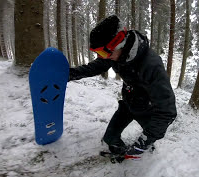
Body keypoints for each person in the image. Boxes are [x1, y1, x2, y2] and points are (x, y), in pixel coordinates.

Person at [68, 15, 177, 159]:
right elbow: (96, 66)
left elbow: (167, 111)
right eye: (99, 53)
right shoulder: (115, 55)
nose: (103, 57)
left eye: (103, 52)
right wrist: (70, 74)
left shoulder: (151, 65)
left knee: (147, 143)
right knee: (110, 139)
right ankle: (122, 152)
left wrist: (143, 143)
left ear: (120, 44)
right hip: (128, 104)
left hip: (148, 109)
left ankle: (148, 161)